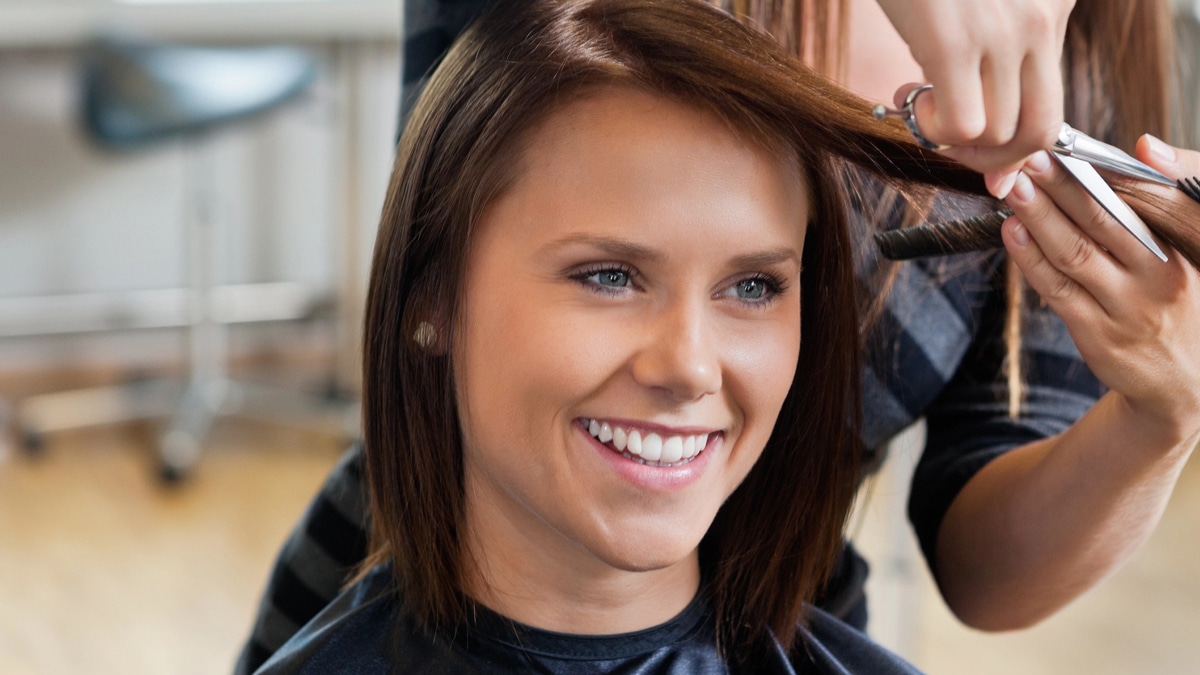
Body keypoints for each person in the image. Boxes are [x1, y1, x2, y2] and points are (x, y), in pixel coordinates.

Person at [236, 0, 1200, 671]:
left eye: (753, 285)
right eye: (609, 275)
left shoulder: (1095, 46)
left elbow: (989, 550)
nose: (689, 364)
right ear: (431, 295)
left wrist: (1160, 414)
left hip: (779, 610)